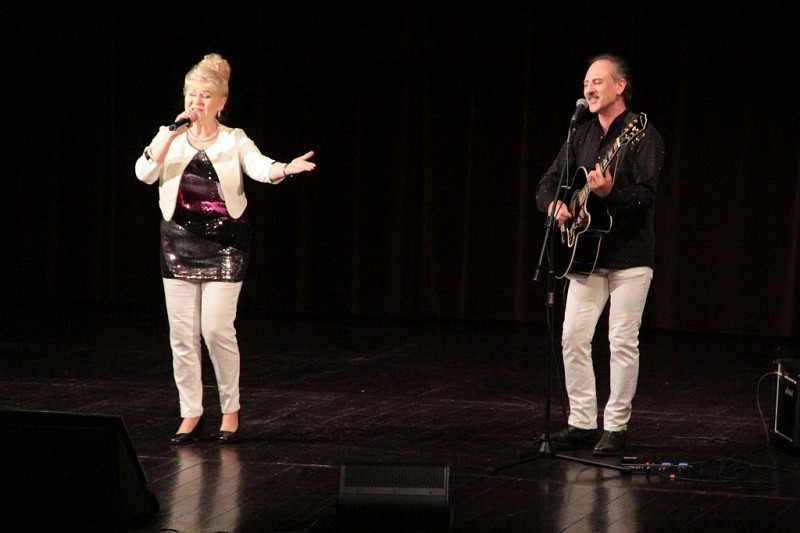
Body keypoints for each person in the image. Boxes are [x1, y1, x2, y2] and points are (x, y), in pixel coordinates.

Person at [135, 52, 316, 445]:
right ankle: (191, 413)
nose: (196, 102)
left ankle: (230, 410)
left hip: (226, 246)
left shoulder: (235, 139)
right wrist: (168, 135)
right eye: (191, 94)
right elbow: (144, 173)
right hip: (177, 244)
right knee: (182, 335)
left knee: (216, 329)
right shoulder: (169, 136)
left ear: (221, 102)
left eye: (205, 96)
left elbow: (259, 166)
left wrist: (284, 169)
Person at [535, 53, 665, 456]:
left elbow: (645, 197)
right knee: (573, 337)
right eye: (586, 83)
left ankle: (616, 427)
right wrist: (554, 205)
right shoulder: (581, 134)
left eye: (597, 81)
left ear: (620, 87)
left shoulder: (642, 135)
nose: (589, 89)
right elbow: (548, 182)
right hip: (585, 257)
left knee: (621, 341)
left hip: (630, 257)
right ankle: (581, 422)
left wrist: (611, 194)